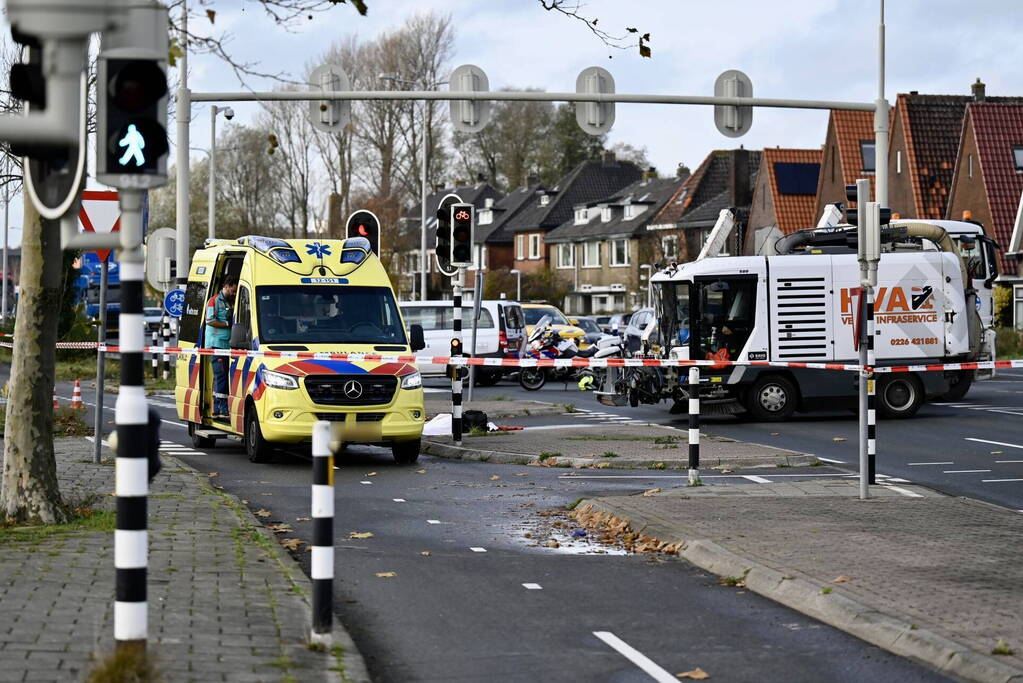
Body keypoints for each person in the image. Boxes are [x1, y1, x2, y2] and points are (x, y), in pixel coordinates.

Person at [205, 276, 237, 419]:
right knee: (221, 377)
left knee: (221, 377)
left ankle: (217, 408)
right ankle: (221, 409)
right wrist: (227, 324)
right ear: (227, 286)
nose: (235, 293)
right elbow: (210, 320)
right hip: (216, 345)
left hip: (226, 345)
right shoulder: (214, 301)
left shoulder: (230, 301)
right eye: (233, 290)